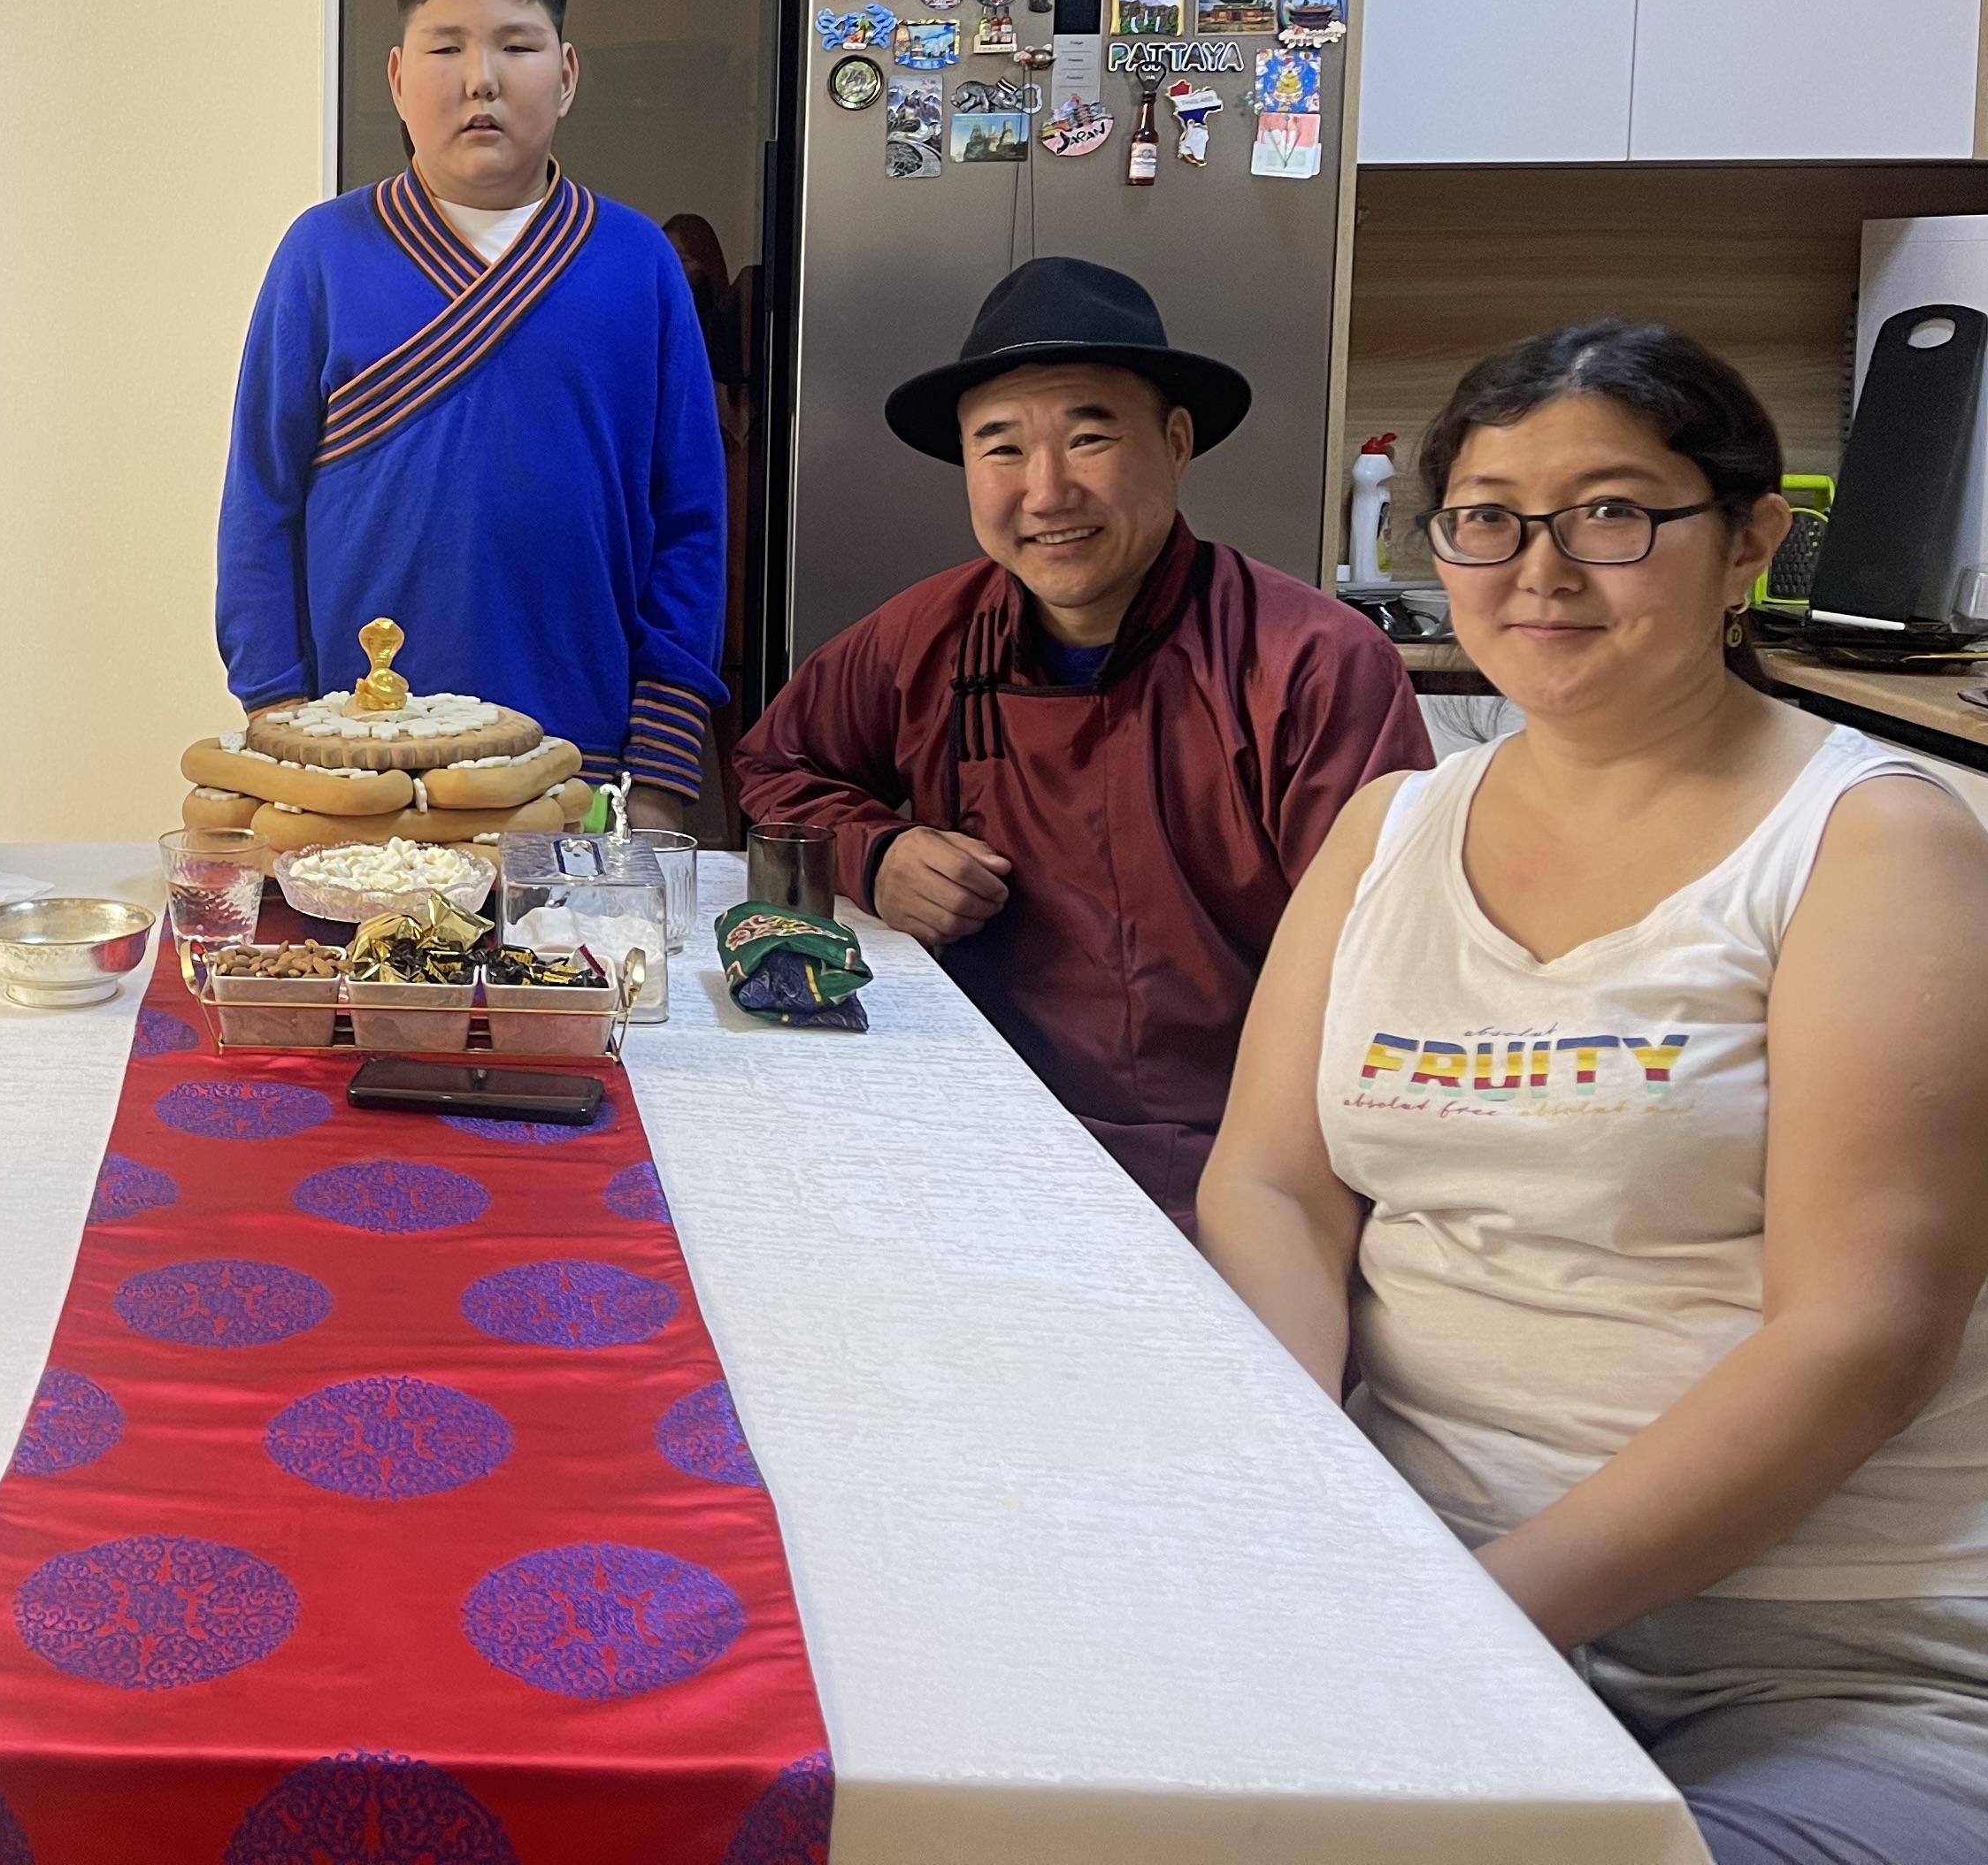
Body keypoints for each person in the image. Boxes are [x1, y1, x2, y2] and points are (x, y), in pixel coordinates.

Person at [1201, 321, 1988, 1865]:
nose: (1540, 571)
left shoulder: (1877, 842)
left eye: (1613, 513)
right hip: (1425, 1574)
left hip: (1810, 1659)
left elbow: (1862, 1338)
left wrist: (1462, 1623)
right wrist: (1302, 1496)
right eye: (1486, 519)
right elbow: (1273, 1182)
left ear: (1748, 540)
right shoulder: (1388, 828)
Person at [733, 255, 1427, 1226]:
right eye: (1002, 448)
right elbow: (777, 766)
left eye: (1089, 437)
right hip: (958, 1123)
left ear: (1176, 442)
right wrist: (877, 853)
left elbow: (1387, 966)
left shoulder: (1313, 665)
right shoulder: (924, 635)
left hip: (1238, 1167)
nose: (1047, 490)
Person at [216, 0, 726, 825]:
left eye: (516, 46)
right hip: (360, 757)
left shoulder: (636, 261)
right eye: (445, 46)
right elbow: (260, 504)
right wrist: (282, 722)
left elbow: (690, 523)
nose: (480, 79)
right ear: (397, 77)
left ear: (566, 75)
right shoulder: (322, 254)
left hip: (580, 756)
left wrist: (661, 767)